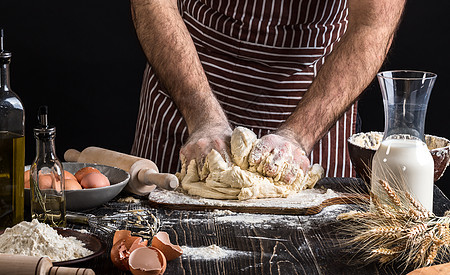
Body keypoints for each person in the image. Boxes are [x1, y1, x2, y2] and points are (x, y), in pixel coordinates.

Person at [130, 0, 405, 183]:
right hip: (188, 80)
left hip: (313, 94)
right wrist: (202, 117)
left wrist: (298, 135)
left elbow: (373, 26)